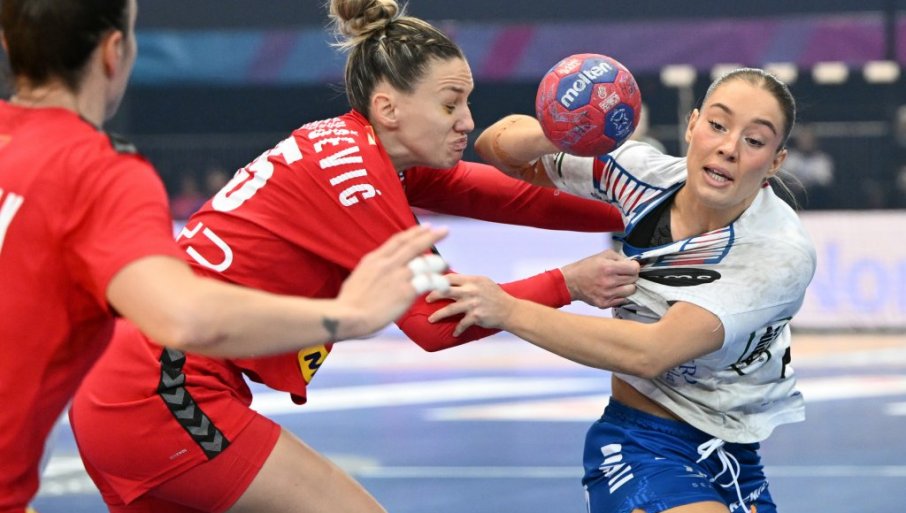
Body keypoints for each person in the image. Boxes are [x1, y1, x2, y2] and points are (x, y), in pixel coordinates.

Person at [68, 1, 637, 512]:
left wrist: (642, 210)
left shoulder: (356, 150)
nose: (467, 121)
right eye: (450, 104)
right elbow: (437, 321)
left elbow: (507, 196)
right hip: (163, 388)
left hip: (130, 383)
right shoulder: (355, 178)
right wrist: (569, 282)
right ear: (388, 108)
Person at [0, 0, 455, 511]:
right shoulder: (98, 173)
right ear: (115, 51)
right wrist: (348, 315)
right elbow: (185, 317)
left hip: (107, 408)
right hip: (149, 396)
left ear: (9, 43)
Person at [429, 68, 817, 513]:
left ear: (775, 162)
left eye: (754, 140)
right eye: (717, 124)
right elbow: (497, 147)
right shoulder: (640, 174)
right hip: (642, 442)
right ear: (692, 125)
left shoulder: (777, 252)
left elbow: (650, 353)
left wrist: (508, 309)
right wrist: (564, 131)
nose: (729, 147)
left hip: (736, 454)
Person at [781, 124, 835, 209]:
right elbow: (784, 177)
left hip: (815, 198)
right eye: (804, 139)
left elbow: (825, 181)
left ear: (814, 141)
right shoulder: (790, 158)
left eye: (809, 140)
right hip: (794, 195)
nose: (806, 143)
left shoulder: (822, 160)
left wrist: (806, 185)